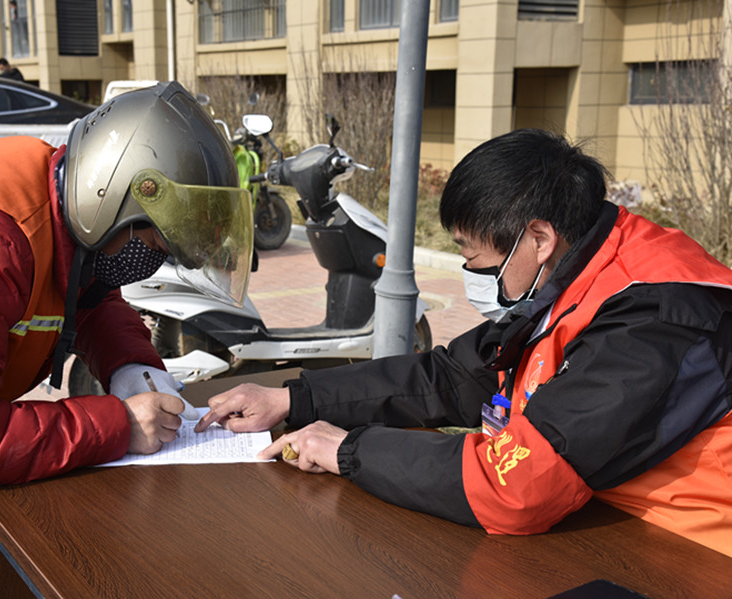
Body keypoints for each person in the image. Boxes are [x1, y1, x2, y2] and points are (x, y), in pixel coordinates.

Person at [195, 128, 732, 558]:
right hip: (608, 523)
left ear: (539, 238)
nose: (469, 269)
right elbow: (455, 376)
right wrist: (294, 399)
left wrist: (347, 450)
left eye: (473, 253)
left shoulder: (654, 313)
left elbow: (518, 487)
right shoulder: (579, 267)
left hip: (693, 552)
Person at [0, 81, 252, 597]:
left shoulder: (54, 199)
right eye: (154, 241)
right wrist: (119, 425)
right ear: (109, 197)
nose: (155, 259)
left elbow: (87, 292)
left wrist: (132, 366)